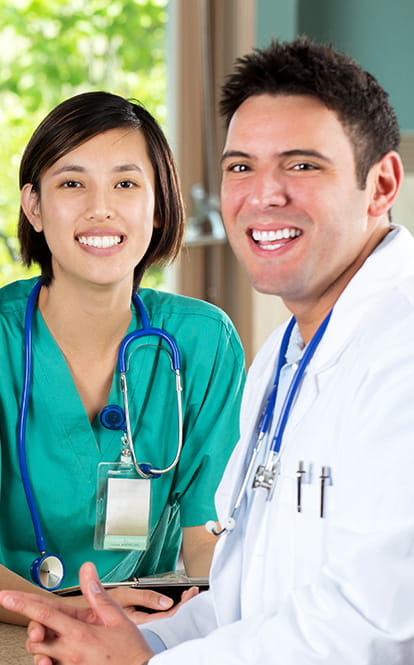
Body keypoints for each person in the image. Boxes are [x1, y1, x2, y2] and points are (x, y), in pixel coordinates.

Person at [2, 34, 414, 664]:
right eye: (241, 167)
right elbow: (242, 594)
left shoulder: (390, 350)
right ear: (33, 204)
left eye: (302, 165)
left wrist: (143, 655)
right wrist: (137, 642)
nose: (265, 194)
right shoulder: (286, 354)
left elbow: (370, 621)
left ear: (382, 183)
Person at [0, 91, 245, 625]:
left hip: (144, 631)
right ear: (34, 207)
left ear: (158, 208)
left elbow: (208, 533)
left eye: (127, 184)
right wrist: (71, 613)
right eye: (72, 183)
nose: (100, 207)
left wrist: (206, 617)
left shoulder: (203, 342)